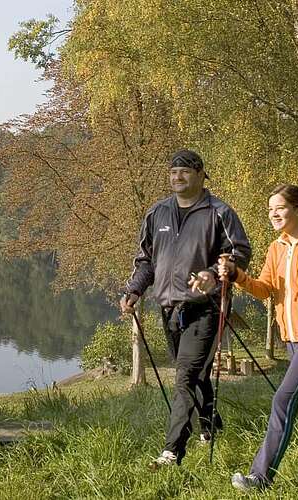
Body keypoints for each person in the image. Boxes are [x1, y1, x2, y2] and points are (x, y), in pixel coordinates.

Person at [201, 184, 298, 491]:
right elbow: (265, 289)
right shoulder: (276, 248)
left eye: (280, 208)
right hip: (291, 337)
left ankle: (260, 478)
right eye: (270, 209)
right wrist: (236, 276)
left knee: (283, 400)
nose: (273, 214)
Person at [119, 149, 251, 468]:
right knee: (195, 373)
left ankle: (173, 451)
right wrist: (135, 289)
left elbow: (239, 252)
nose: (178, 177)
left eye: (185, 172)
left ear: (201, 174)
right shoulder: (157, 213)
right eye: (173, 172)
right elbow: (146, 261)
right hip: (169, 307)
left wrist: (212, 274)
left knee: (185, 376)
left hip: (206, 306)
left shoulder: (218, 211)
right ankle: (210, 424)